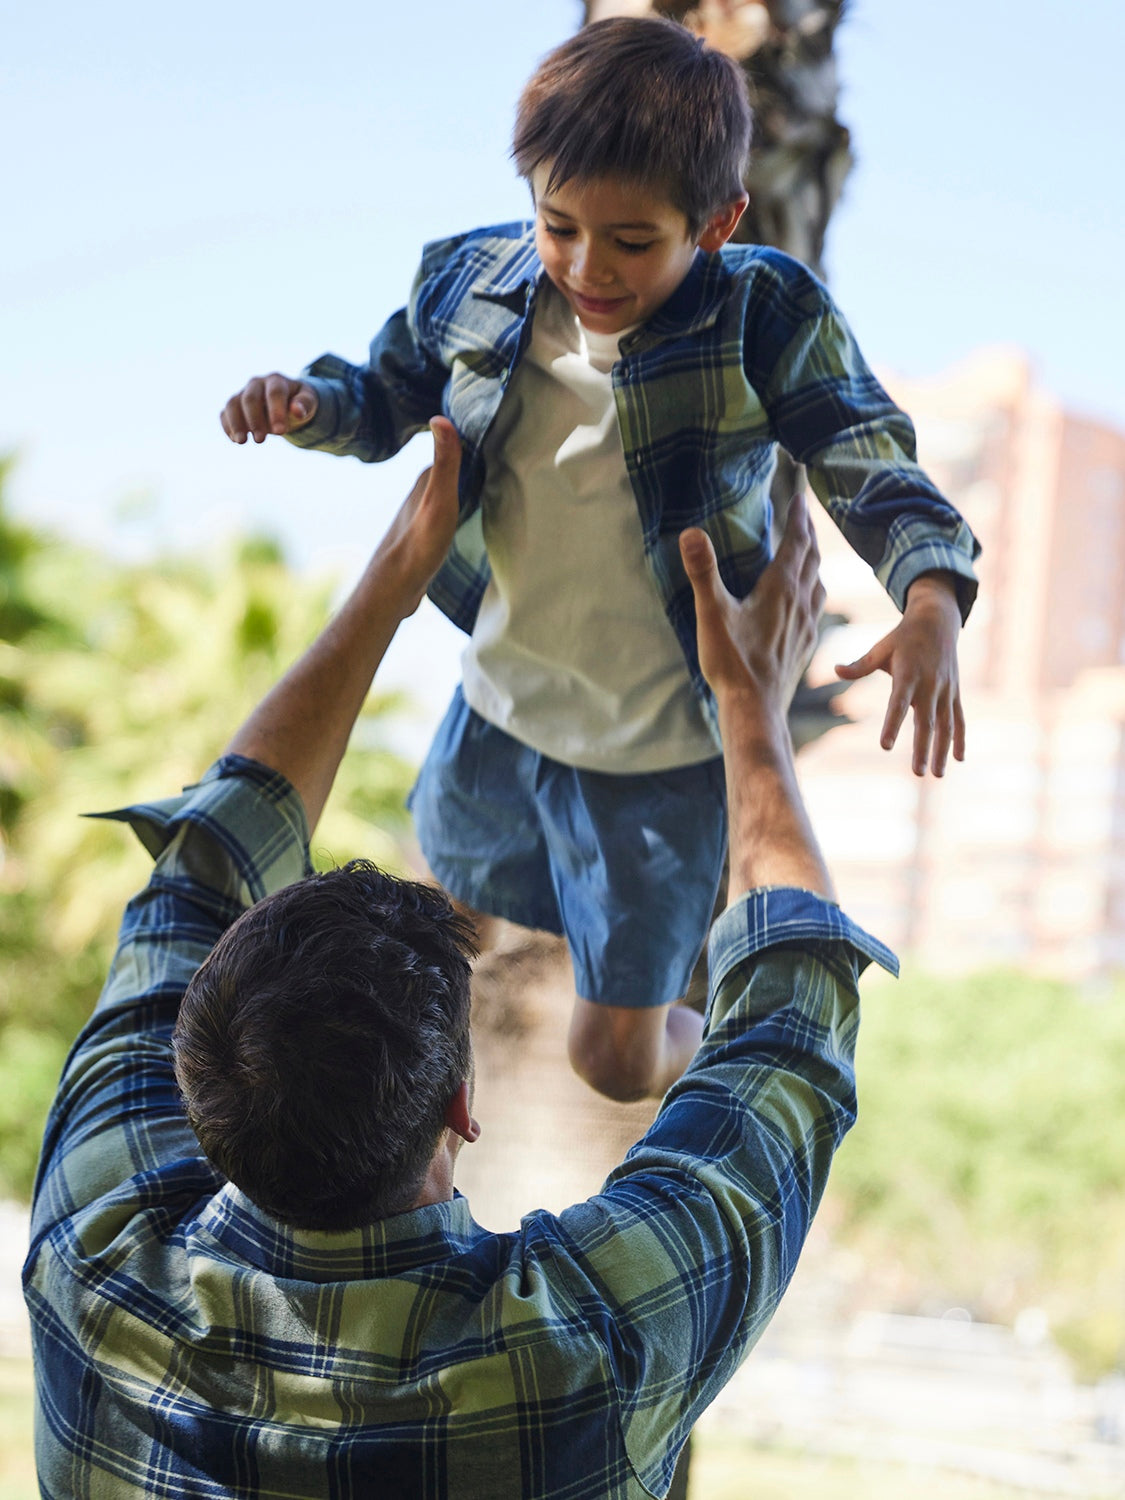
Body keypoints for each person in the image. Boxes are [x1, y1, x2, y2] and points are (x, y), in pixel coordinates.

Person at [26, 423, 895, 1499]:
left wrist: (393, 588)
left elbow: (790, 1023)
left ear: (193, 1083)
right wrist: (751, 704)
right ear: (459, 1108)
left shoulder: (94, 1259)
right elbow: (784, 1046)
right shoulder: (575, 1364)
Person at [220, 16, 964, 1102]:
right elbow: (381, 395)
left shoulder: (759, 312)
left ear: (716, 223)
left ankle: (703, 1014)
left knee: (613, 1065)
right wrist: (307, 405)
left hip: (659, 764)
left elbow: (864, 450)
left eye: (631, 241)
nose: (585, 267)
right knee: (426, 939)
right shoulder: (473, 282)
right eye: (558, 224)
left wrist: (932, 591)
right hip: (502, 717)